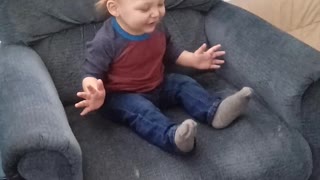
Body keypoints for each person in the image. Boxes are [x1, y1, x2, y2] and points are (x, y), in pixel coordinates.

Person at [75, 0, 253, 154]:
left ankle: (214, 112)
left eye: (160, 4)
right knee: (141, 109)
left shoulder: (157, 27)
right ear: (115, 9)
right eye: (145, 9)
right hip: (121, 96)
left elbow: (170, 51)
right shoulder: (106, 40)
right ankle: (173, 139)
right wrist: (94, 92)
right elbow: (91, 72)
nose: (156, 13)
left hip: (157, 84)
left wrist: (194, 60)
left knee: (182, 82)